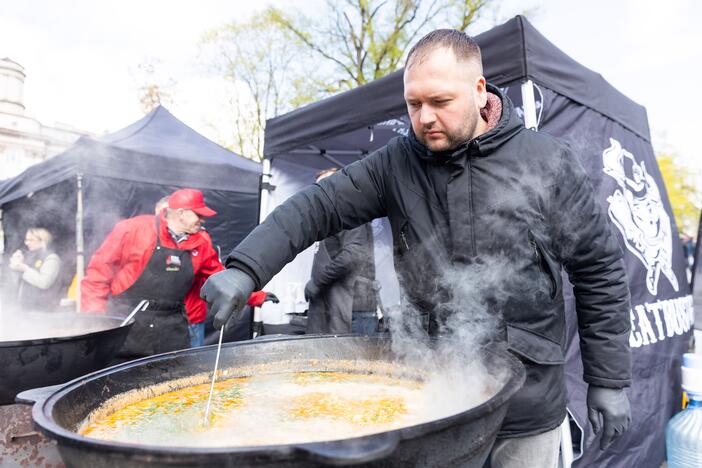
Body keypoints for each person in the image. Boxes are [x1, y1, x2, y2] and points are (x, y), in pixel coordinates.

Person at [202, 30, 631, 466]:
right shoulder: (395, 162)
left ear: (479, 90)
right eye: (413, 104)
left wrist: (608, 380)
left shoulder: (548, 161)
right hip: (434, 397)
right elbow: (319, 205)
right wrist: (246, 267)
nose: (424, 118)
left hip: (529, 403)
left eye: (440, 102)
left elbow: (599, 270)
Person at [81, 188, 269, 358]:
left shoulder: (201, 242)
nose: (203, 220)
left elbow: (218, 276)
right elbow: (98, 274)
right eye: (198, 214)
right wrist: (95, 321)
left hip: (172, 328)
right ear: (181, 213)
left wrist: (256, 296)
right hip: (129, 323)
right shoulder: (132, 229)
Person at [304, 168, 375, 334]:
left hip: (352, 308)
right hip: (331, 306)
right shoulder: (329, 220)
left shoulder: (352, 214)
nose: (319, 193)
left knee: (351, 359)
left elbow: (352, 255)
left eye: (325, 186)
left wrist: (317, 281)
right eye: (317, 188)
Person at [8, 227, 63, 311]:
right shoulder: (29, 257)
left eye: (31, 240)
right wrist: (15, 267)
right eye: (26, 240)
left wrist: (24, 268)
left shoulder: (52, 258)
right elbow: (16, 284)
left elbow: (44, 282)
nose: (26, 243)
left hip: (45, 310)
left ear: (42, 241)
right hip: (27, 308)